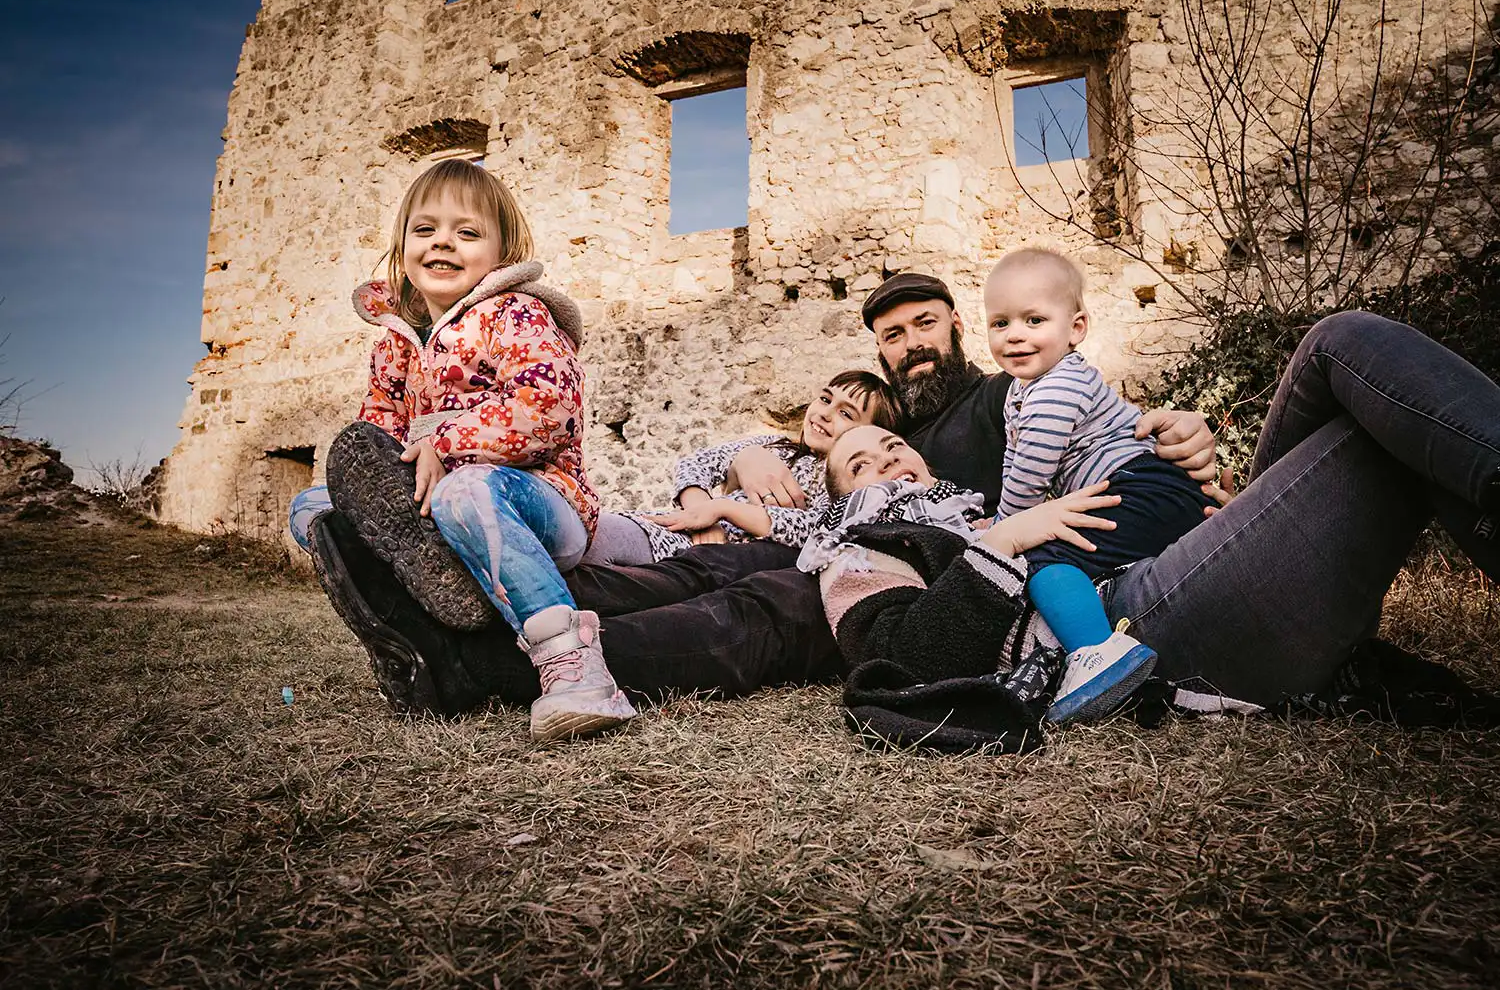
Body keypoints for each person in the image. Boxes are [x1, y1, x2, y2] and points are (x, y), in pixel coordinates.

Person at [306, 270, 1217, 718]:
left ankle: (472, 662)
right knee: (686, 573)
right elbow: (770, 451)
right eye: (891, 336)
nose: (911, 344)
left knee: (751, 607)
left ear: (958, 329)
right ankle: (456, 589)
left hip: (895, 564)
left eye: (925, 325)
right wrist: (750, 458)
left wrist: (1176, 432)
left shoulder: (1003, 395)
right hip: (810, 532)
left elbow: (1103, 418)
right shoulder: (877, 416)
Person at [289, 157, 634, 743]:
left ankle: (576, 668)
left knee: (465, 489)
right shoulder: (396, 343)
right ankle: (442, 585)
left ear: (503, 251)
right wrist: (383, 471)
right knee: (313, 506)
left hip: (539, 501)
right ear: (401, 248)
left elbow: (546, 407)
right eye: (425, 230)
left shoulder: (516, 315)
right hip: (432, 502)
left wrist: (447, 445)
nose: (442, 242)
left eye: (467, 232)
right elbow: (378, 440)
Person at [983, 248, 1208, 722]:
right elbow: (1015, 460)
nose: (1015, 335)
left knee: (1044, 555)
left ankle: (1095, 655)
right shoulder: (1023, 389)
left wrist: (1001, 536)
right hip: (1143, 489)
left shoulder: (1055, 388)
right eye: (1000, 323)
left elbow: (1031, 473)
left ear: (1076, 328)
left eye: (1034, 320)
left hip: (1142, 486)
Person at [800, 425, 1124, 749]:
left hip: (1116, 582)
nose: (887, 459)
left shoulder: (971, 517)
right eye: (859, 466)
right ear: (841, 503)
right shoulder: (855, 552)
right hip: (1099, 626)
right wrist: (1002, 542)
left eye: (894, 444)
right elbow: (906, 661)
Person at [592, 370, 900, 564]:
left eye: (846, 414)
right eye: (824, 399)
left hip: (716, 558)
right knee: (594, 531)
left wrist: (725, 509)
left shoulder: (839, 483)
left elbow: (813, 528)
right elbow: (697, 462)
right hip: (681, 532)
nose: (825, 413)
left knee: (591, 542)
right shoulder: (774, 444)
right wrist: (701, 512)